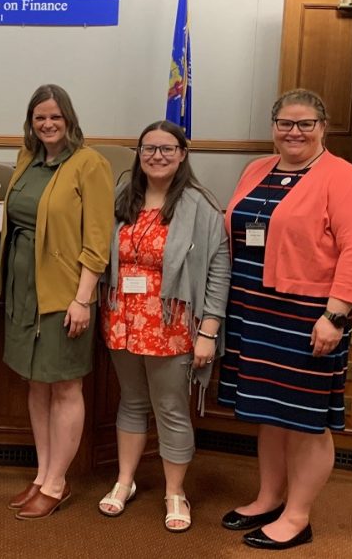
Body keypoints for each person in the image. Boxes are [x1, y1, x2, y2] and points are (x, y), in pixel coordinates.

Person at [217, 89, 352, 550]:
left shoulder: (346, 181)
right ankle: (269, 497)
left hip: (308, 316)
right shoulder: (257, 170)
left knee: (306, 420)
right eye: (285, 123)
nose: (294, 132)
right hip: (254, 310)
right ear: (273, 127)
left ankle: (298, 515)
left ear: (322, 128)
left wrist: (335, 315)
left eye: (305, 124)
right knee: (269, 413)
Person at [97, 120, 230, 531]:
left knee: (171, 408)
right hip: (122, 319)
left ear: (182, 154)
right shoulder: (121, 197)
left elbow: (218, 269)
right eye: (149, 148)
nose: (157, 156)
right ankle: (125, 482)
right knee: (132, 402)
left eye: (167, 149)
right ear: (138, 154)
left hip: (171, 324)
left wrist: (208, 330)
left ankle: (176, 492)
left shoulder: (200, 205)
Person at [0, 83, 113, 520]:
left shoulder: (90, 164)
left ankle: (58, 481)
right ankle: (43, 473)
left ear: (69, 120)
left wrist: (83, 299)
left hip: (65, 295)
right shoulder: (27, 160)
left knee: (65, 385)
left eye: (55, 117)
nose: (47, 124)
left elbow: (98, 239)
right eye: (39, 117)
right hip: (22, 291)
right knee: (35, 382)